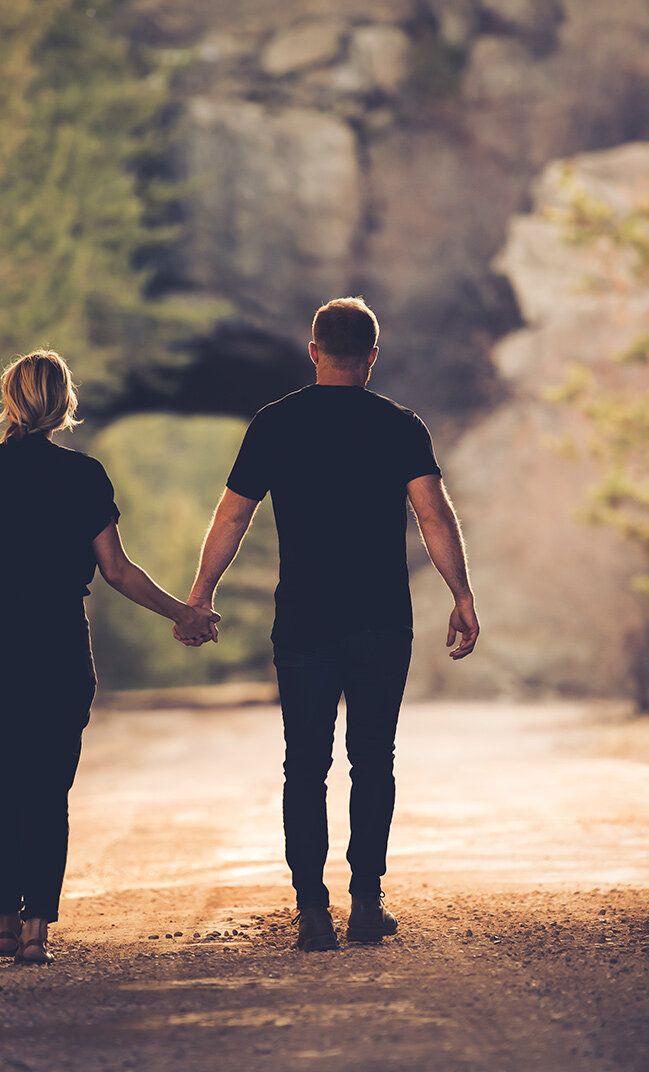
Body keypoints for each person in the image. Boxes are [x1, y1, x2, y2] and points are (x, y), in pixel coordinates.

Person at [185, 297, 479, 952]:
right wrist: (460, 593)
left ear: (313, 351)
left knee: (305, 765)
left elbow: (233, 517)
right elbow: (433, 515)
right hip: (380, 618)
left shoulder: (274, 424)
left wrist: (202, 593)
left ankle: (313, 910)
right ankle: (367, 902)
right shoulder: (400, 426)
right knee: (373, 760)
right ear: (372, 358)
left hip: (304, 621)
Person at [0, 350, 219, 965]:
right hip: (58, 644)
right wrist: (182, 614)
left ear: (9, 401)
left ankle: (4, 922)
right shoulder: (85, 477)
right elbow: (117, 571)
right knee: (48, 788)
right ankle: (36, 932)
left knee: (1, 783)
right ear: (64, 406)